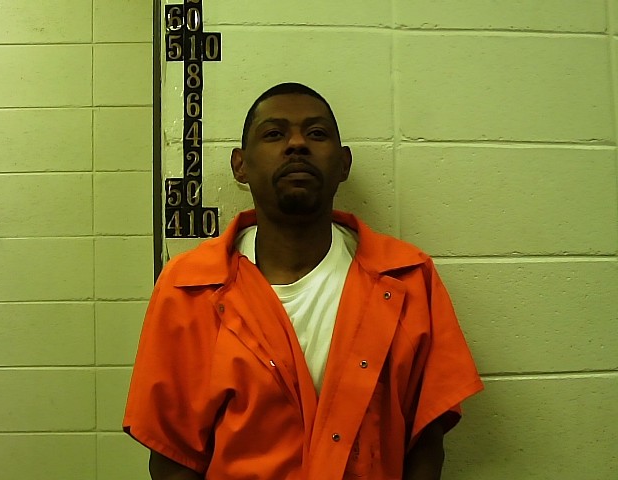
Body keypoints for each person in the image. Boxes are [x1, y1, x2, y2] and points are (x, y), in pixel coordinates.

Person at [123, 82, 484, 479]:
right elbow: (173, 457)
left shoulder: (407, 278)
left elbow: (426, 439)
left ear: (343, 164)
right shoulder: (188, 287)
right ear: (240, 165)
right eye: (274, 134)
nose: (297, 144)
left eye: (316, 133)